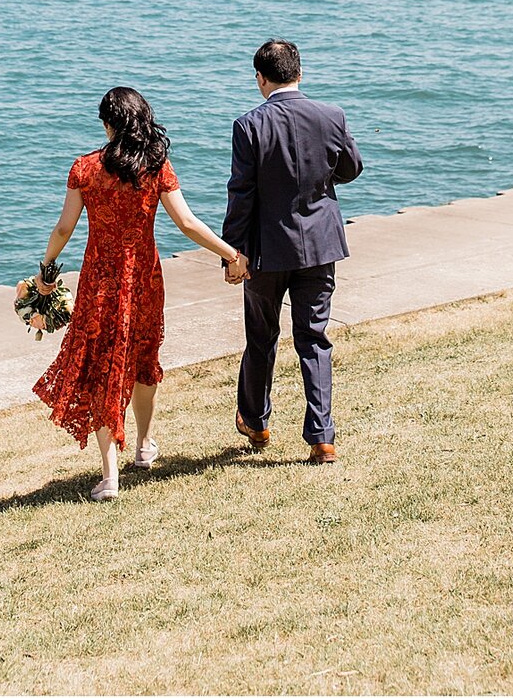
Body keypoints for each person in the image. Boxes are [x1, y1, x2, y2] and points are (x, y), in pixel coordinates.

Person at [31, 87, 251, 500]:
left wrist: (45, 271)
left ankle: (110, 476)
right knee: (143, 358)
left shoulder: (84, 168)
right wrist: (231, 253)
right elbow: (186, 223)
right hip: (144, 280)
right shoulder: (156, 166)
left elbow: (64, 228)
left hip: (99, 280)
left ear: (106, 123)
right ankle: (144, 446)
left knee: (102, 366)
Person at [222, 39, 364, 463]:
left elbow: (241, 195)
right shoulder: (331, 115)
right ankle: (322, 437)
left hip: (267, 251)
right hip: (320, 246)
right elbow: (352, 168)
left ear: (260, 79)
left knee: (261, 337)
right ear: (300, 72)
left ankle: (256, 421)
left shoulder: (249, 126)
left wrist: (233, 253)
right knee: (314, 338)